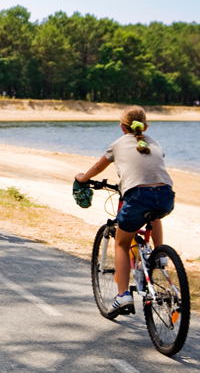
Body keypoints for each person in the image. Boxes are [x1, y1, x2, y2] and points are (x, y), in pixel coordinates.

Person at [75, 105, 174, 313]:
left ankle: (123, 296)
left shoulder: (118, 144)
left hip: (137, 196)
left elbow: (97, 167)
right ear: (145, 127)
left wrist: (82, 178)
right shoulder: (153, 141)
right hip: (166, 195)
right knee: (154, 214)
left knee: (121, 243)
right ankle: (159, 254)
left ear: (122, 127)